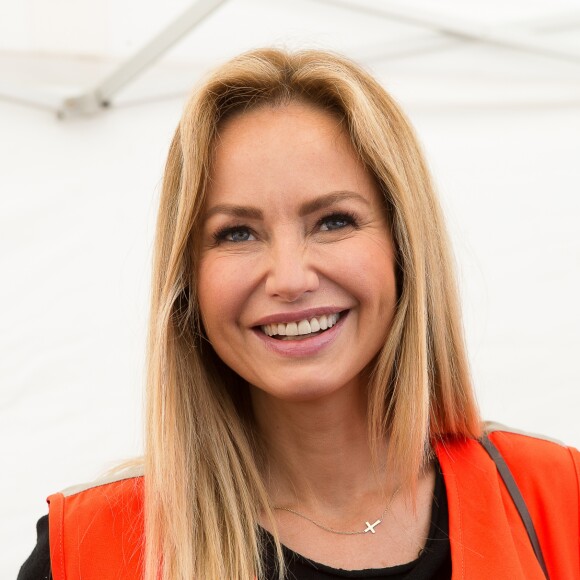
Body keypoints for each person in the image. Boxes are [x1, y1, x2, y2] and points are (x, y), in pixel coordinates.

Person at [18, 48, 579, 580]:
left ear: (404, 247)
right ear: (188, 280)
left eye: (333, 221)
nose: (289, 278)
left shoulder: (558, 500)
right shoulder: (90, 550)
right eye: (236, 233)